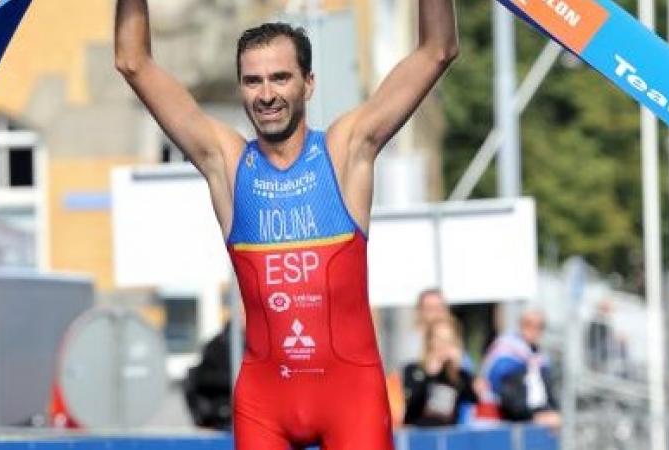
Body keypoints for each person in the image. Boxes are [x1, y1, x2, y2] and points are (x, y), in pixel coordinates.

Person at [115, 1, 458, 448]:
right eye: (253, 81)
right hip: (265, 402)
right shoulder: (228, 164)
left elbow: (437, 49)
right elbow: (132, 61)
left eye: (280, 77)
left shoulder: (344, 151)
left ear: (308, 84)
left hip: (350, 398)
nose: (266, 94)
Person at [479, 310, 561, 428]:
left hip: (544, 419)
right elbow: (510, 399)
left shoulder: (540, 358)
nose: (534, 331)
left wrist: (554, 412)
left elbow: (548, 394)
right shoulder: (506, 354)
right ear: (521, 326)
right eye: (529, 325)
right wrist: (535, 417)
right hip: (516, 423)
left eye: (540, 327)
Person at [402, 317, 477, 427]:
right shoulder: (414, 370)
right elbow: (412, 404)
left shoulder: (459, 376)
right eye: (439, 339)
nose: (443, 345)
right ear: (429, 341)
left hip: (448, 435)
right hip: (419, 434)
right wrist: (431, 373)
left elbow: (472, 399)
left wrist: (456, 372)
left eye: (448, 341)